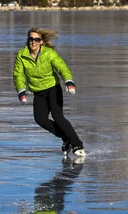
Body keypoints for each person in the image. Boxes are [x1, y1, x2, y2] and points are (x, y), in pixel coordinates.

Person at [13, 27, 85, 156]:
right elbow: (18, 74)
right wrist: (21, 91)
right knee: (40, 119)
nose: (33, 42)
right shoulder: (21, 55)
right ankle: (65, 138)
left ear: (41, 41)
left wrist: (68, 81)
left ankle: (77, 144)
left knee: (58, 117)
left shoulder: (49, 53)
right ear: (28, 40)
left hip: (53, 88)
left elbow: (61, 66)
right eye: (31, 39)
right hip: (38, 92)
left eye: (36, 39)